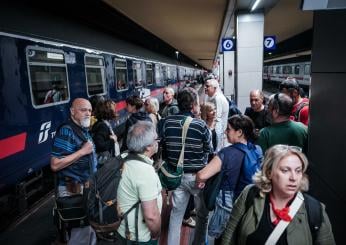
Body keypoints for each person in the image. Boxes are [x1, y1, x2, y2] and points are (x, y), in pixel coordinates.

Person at [221, 144, 335, 245]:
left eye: (298, 171)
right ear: (269, 172)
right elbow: (230, 233)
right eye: (285, 170)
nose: (293, 178)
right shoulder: (250, 194)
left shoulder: (315, 210)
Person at [196, 115, 262, 243]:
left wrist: (200, 180)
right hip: (250, 199)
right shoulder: (257, 150)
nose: (226, 132)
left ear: (240, 132)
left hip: (228, 202)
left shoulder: (227, 153)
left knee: (223, 237)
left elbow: (202, 175)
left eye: (229, 129)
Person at [161, 89, 213, 245]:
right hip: (198, 177)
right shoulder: (200, 125)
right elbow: (208, 149)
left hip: (176, 177)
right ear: (192, 105)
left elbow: (165, 146)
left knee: (176, 215)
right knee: (202, 216)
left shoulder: (167, 122)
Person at [50, 98, 97, 245]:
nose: (88, 113)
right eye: (83, 110)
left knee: (89, 230)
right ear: (72, 111)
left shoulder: (82, 130)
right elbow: (55, 165)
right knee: (79, 233)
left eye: (89, 110)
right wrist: (82, 152)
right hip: (73, 191)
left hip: (86, 190)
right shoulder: (66, 131)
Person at [116, 121, 162, 244]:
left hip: (121, 229)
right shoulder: (144, 171)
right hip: (138, 237)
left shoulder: (123, 157)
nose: (158, 142)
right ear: (148, 146)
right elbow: (151, 216)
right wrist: (156, 235)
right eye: (156, 139)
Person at [91, 99, 119, 167]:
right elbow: (99, 145)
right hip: (105, 164)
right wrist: (112, 140)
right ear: (108, 111)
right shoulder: (103, 126)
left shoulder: (102, 123)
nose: (116, 111)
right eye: (114, 109)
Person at [204, 78, 229, 152]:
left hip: (218, 131)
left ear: (214, 88)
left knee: (217, 150)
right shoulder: (211, 96)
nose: (205, 88)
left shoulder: (218, 98)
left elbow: (217, 117)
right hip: (216, 129)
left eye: (207, 86)